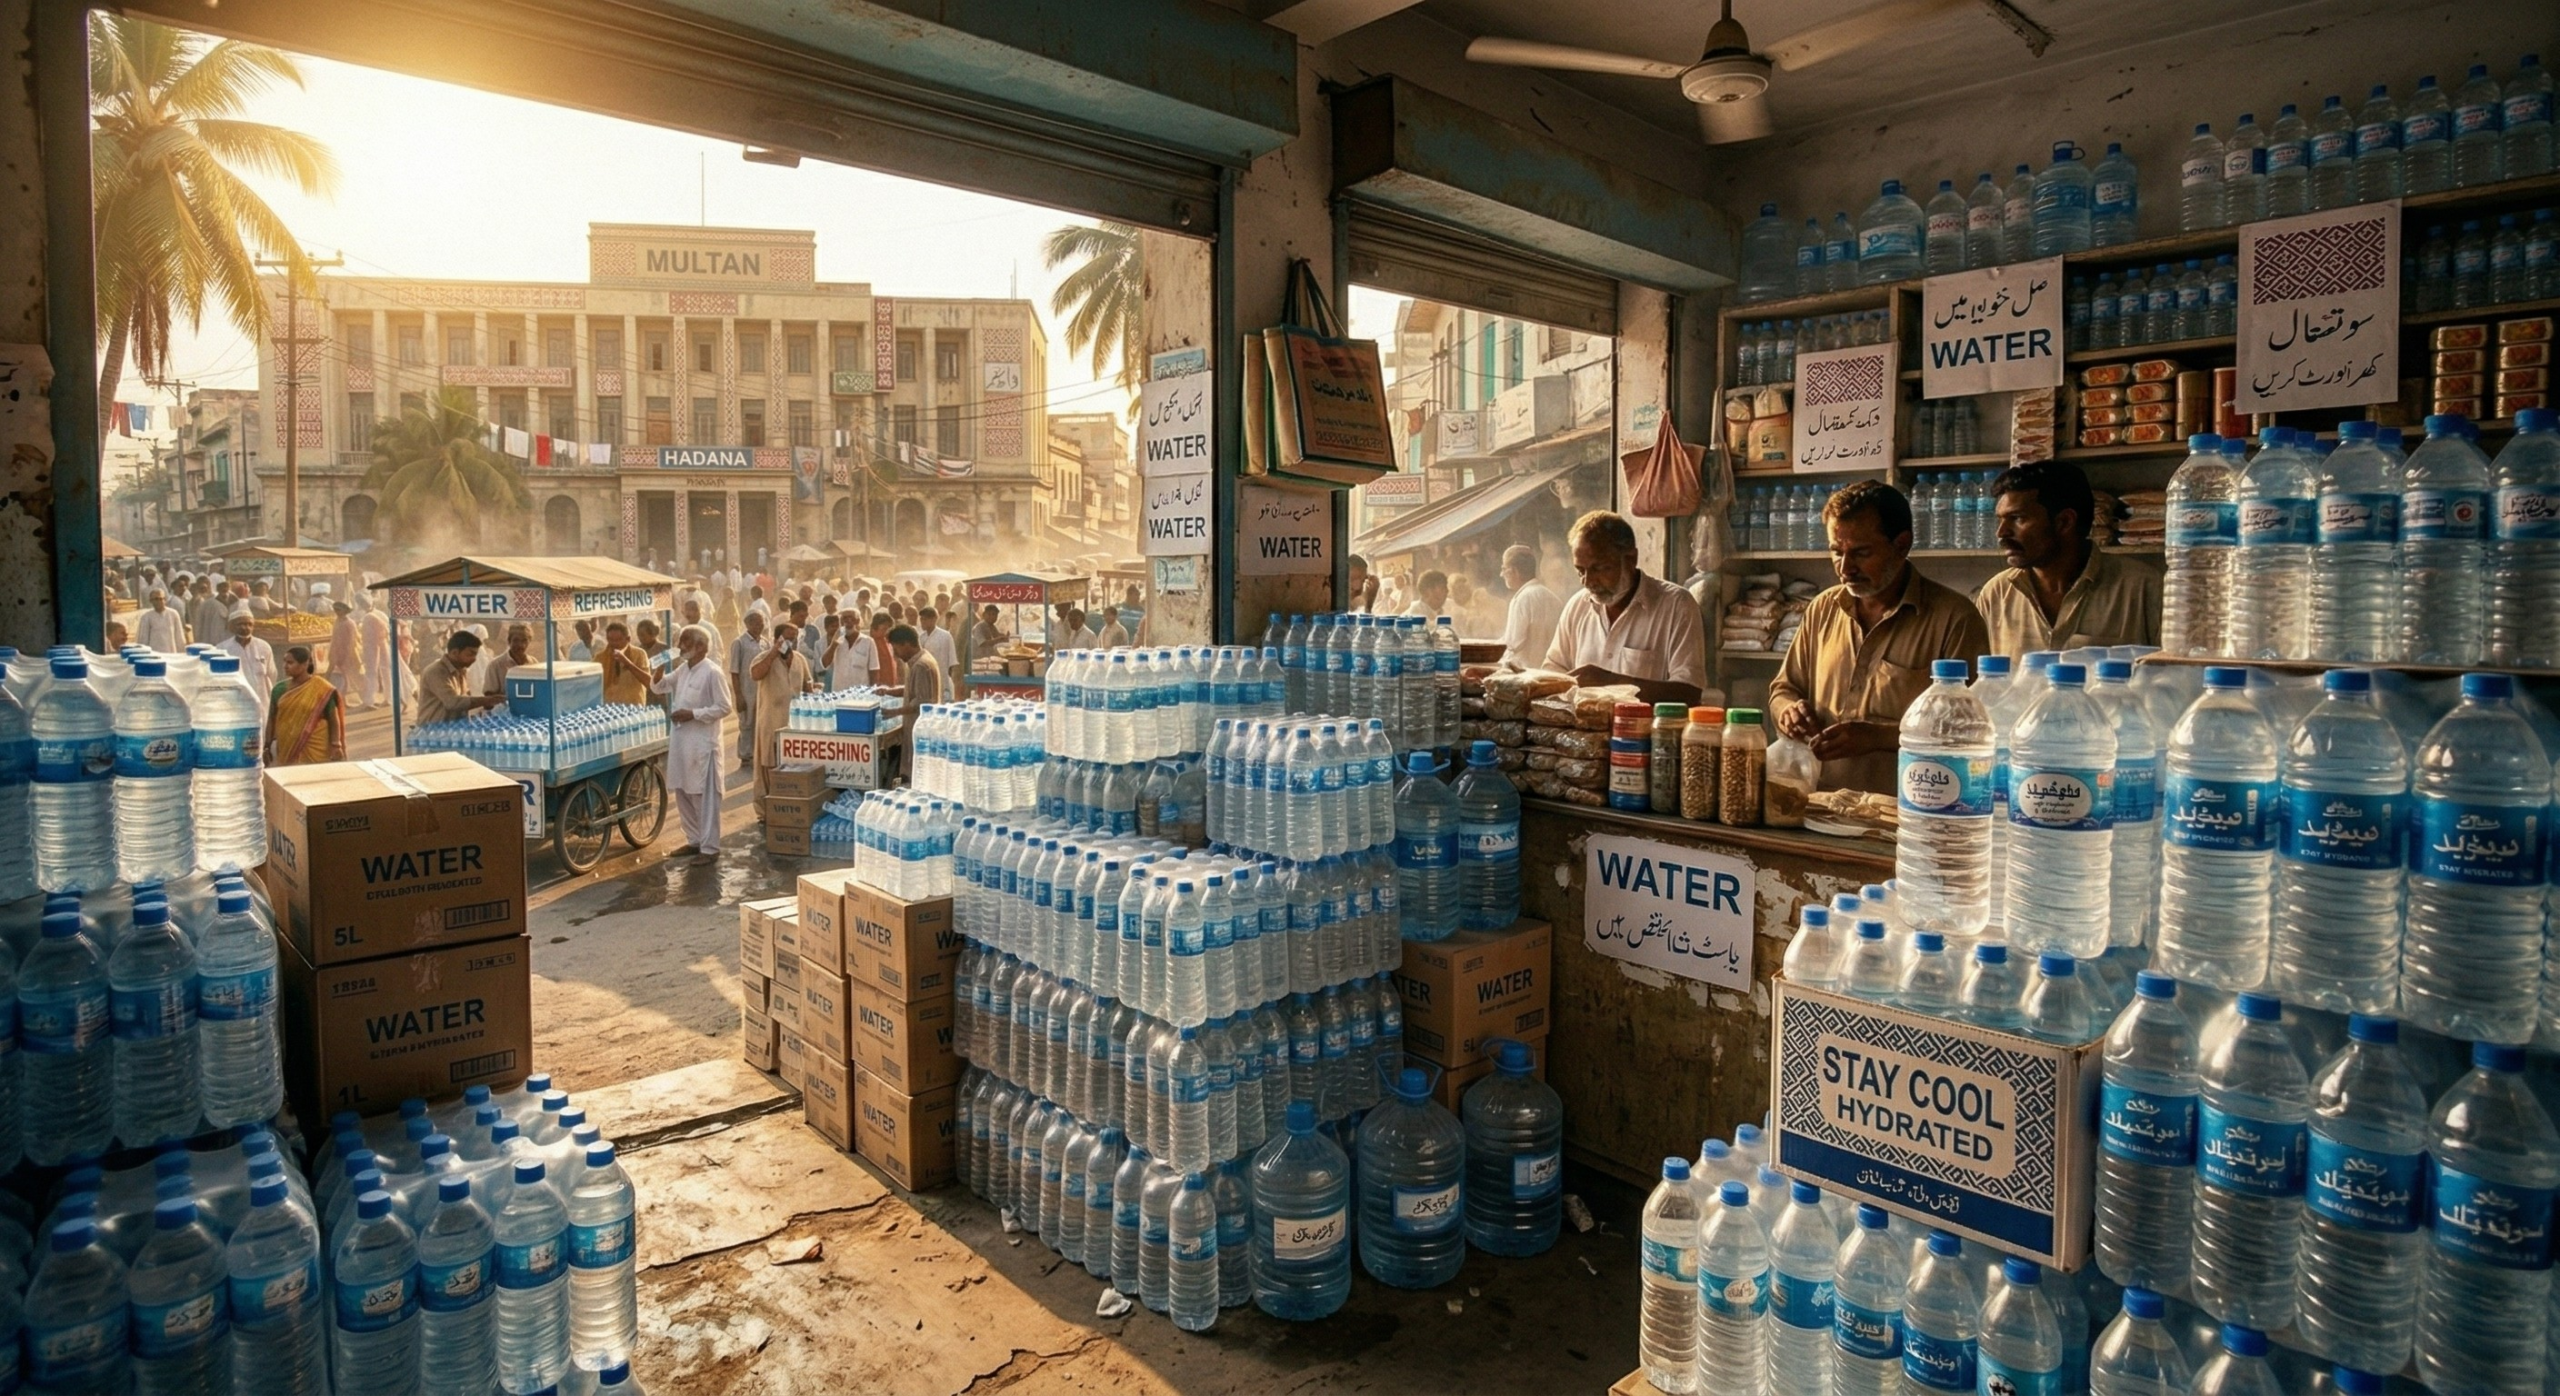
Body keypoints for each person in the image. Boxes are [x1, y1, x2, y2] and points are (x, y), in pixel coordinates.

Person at [1771, 481, 1992, 795]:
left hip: (1905, 814)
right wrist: (1788, 712)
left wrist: (1878, 737)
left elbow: (1968, 732)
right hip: (1817, 803)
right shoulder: (1823, 608)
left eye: (1861, 553)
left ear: (1901, 545)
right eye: (1836, 552)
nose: (1845, 568)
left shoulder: (1955, 619)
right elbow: (1783, 688)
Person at [1974, 460, 2162, 655]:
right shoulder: (1996, 594)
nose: (2001, 532)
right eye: (2001, 519)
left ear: (2064, 522)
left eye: (2018, 518)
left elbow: (2179, 675)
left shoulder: (2143, 589)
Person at [1542, 510, 1707, 707]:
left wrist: (1610, 682)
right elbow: (1553, 671)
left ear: (1631, 559)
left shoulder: (1677, 605)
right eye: (1580, 571)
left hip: (1646, 734)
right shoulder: (1577, 606)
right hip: (1584, 734)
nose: (1588, 581)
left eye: (1600, 568)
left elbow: (1689, 693)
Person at [654, 624, 731, 860]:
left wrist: (693, 714)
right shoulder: (684, 669)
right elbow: (660, 686)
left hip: (702, 746)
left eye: (685, 641)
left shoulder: (712, 672)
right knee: (683, 793)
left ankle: (709, 849)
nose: (680, 646)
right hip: (681, 743)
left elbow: (725, 707)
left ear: (701, 646)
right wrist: (657, 669)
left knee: (704, 798)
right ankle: (694, 840)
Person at [749, 621, 815, 796]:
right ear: (777, 639)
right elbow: (756, 674)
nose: (791, 643)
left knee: (793, 766)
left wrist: (813, 691)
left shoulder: (800, 659)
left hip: (794, 725)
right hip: (771, 723)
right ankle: (767, 807)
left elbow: (808, 685)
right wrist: (773, 653)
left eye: (794, 639)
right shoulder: (763, 657)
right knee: (769, 765)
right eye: (787, 639)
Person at [266, 645, 346, 765]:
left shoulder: (322, 688)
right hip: (286, 747)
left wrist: (336, 745)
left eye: (290, 662)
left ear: (305, 664)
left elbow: (333, 719)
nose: (285, 666)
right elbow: (271, 720)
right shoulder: (278, 689)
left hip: (316, 748)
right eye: (285, 662)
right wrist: (266, 747)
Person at [412, 630, 504, 727]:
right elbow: (453, 703)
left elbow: (464, 701)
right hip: (431, 733)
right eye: (470, 654)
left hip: (452, 730)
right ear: (454, 652)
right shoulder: (436, 672)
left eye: (475, 655)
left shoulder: (461, 670)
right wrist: (487, 700)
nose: (474, 659)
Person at [1498, 545, 1565, 670]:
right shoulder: (1554, 598)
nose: (1501, 574)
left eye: (1504, 568)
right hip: (1552, 674)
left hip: (1526, 676)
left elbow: (1512, 644)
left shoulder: (1521, 599)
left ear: (1514, 571)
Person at [729, 611, 767, 770]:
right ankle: (745, 756)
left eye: (762, 622)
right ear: (748, 624)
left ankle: (757, 754)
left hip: (762, 689)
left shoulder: (765, 642)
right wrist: (738, 695)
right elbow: (734, 671)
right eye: (756, 623)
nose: (760, 626)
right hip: (745, 690)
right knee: (746, 723)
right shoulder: (739, 643)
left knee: (760, 722)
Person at [219, 612, 279, 712]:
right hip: (236, 702)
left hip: (262, 700)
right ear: (232, 626)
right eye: (241, 624)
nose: (245, 627)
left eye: (249, 624)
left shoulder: (264, 646)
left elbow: (272, 674)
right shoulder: (222, 648)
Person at [598, 620, 652, 707]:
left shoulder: (639, 654)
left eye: (618, 640)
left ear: (628, 639)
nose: (614, 644)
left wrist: (627, 662)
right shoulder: (600, 658)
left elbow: (649, 682)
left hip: (634, 710)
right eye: (610, 640)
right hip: (609, 711)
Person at [327, 602, 367, 708]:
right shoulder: (337, 621)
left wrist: (347, 655)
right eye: (335, 610)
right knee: (340, 677)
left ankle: (365, 699)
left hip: (348, 653)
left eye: (339, 610)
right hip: (337, 652)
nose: (337, 612)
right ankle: (342, 700)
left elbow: (351, 641)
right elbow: (334, 638)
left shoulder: (349, 623)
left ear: (344, 611)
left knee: (352, 677)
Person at [483, 623, 539, 697]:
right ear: (509, 641)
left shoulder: (534, 663)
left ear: (529, 641)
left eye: (524, 640)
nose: (520, 645)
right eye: (516, 640)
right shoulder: (495, 665)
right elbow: (488, 696)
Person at [358, 599, 392, 708]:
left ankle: (384, 698)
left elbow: (387, 629)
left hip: (378, 645)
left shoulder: (372, 616)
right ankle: (372, 699)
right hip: (374, 645)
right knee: (375, 672)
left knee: (379, 671)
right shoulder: (367, 615)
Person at [916, 606, 958, 675]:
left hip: (942, 676)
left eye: (925, 619)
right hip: (926, 675)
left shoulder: (945, 636)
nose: (922, 622)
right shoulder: (921, 637)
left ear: (934, 619)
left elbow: (952, 661)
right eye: (921, 619)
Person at [189, 579, 228, 648]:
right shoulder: (205, 603)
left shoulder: (221, 604)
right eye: (223, 591)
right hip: (211, 640)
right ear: (218, 590)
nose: (225, 594)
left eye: (226, 591)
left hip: (213, 640)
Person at [868, 612, 901, 688]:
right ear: (874, 628)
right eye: (884, 629)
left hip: (890, 685)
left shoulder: (887, 642)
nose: (886, 632)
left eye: (888, 629)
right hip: (878, 687)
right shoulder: (869, 643)